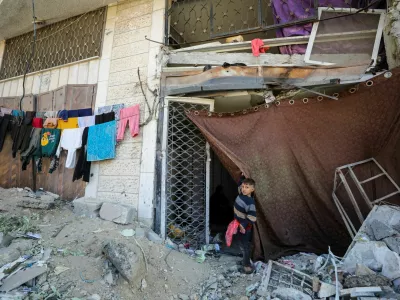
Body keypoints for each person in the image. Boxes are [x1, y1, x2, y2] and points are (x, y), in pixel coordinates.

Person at [234, 176, 257, 274]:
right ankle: (244, 261)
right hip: (238, 225)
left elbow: (252, 217)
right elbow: (239, 185)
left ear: (252, 189)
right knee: (241, 243)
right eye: (243, 187)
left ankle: (247, 266)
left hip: (245, 227)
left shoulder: (250, 202)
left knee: (245, 246)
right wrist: (242, 176)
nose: (244, 189)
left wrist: (243, 225)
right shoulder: (241, 194)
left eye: (247, 187)